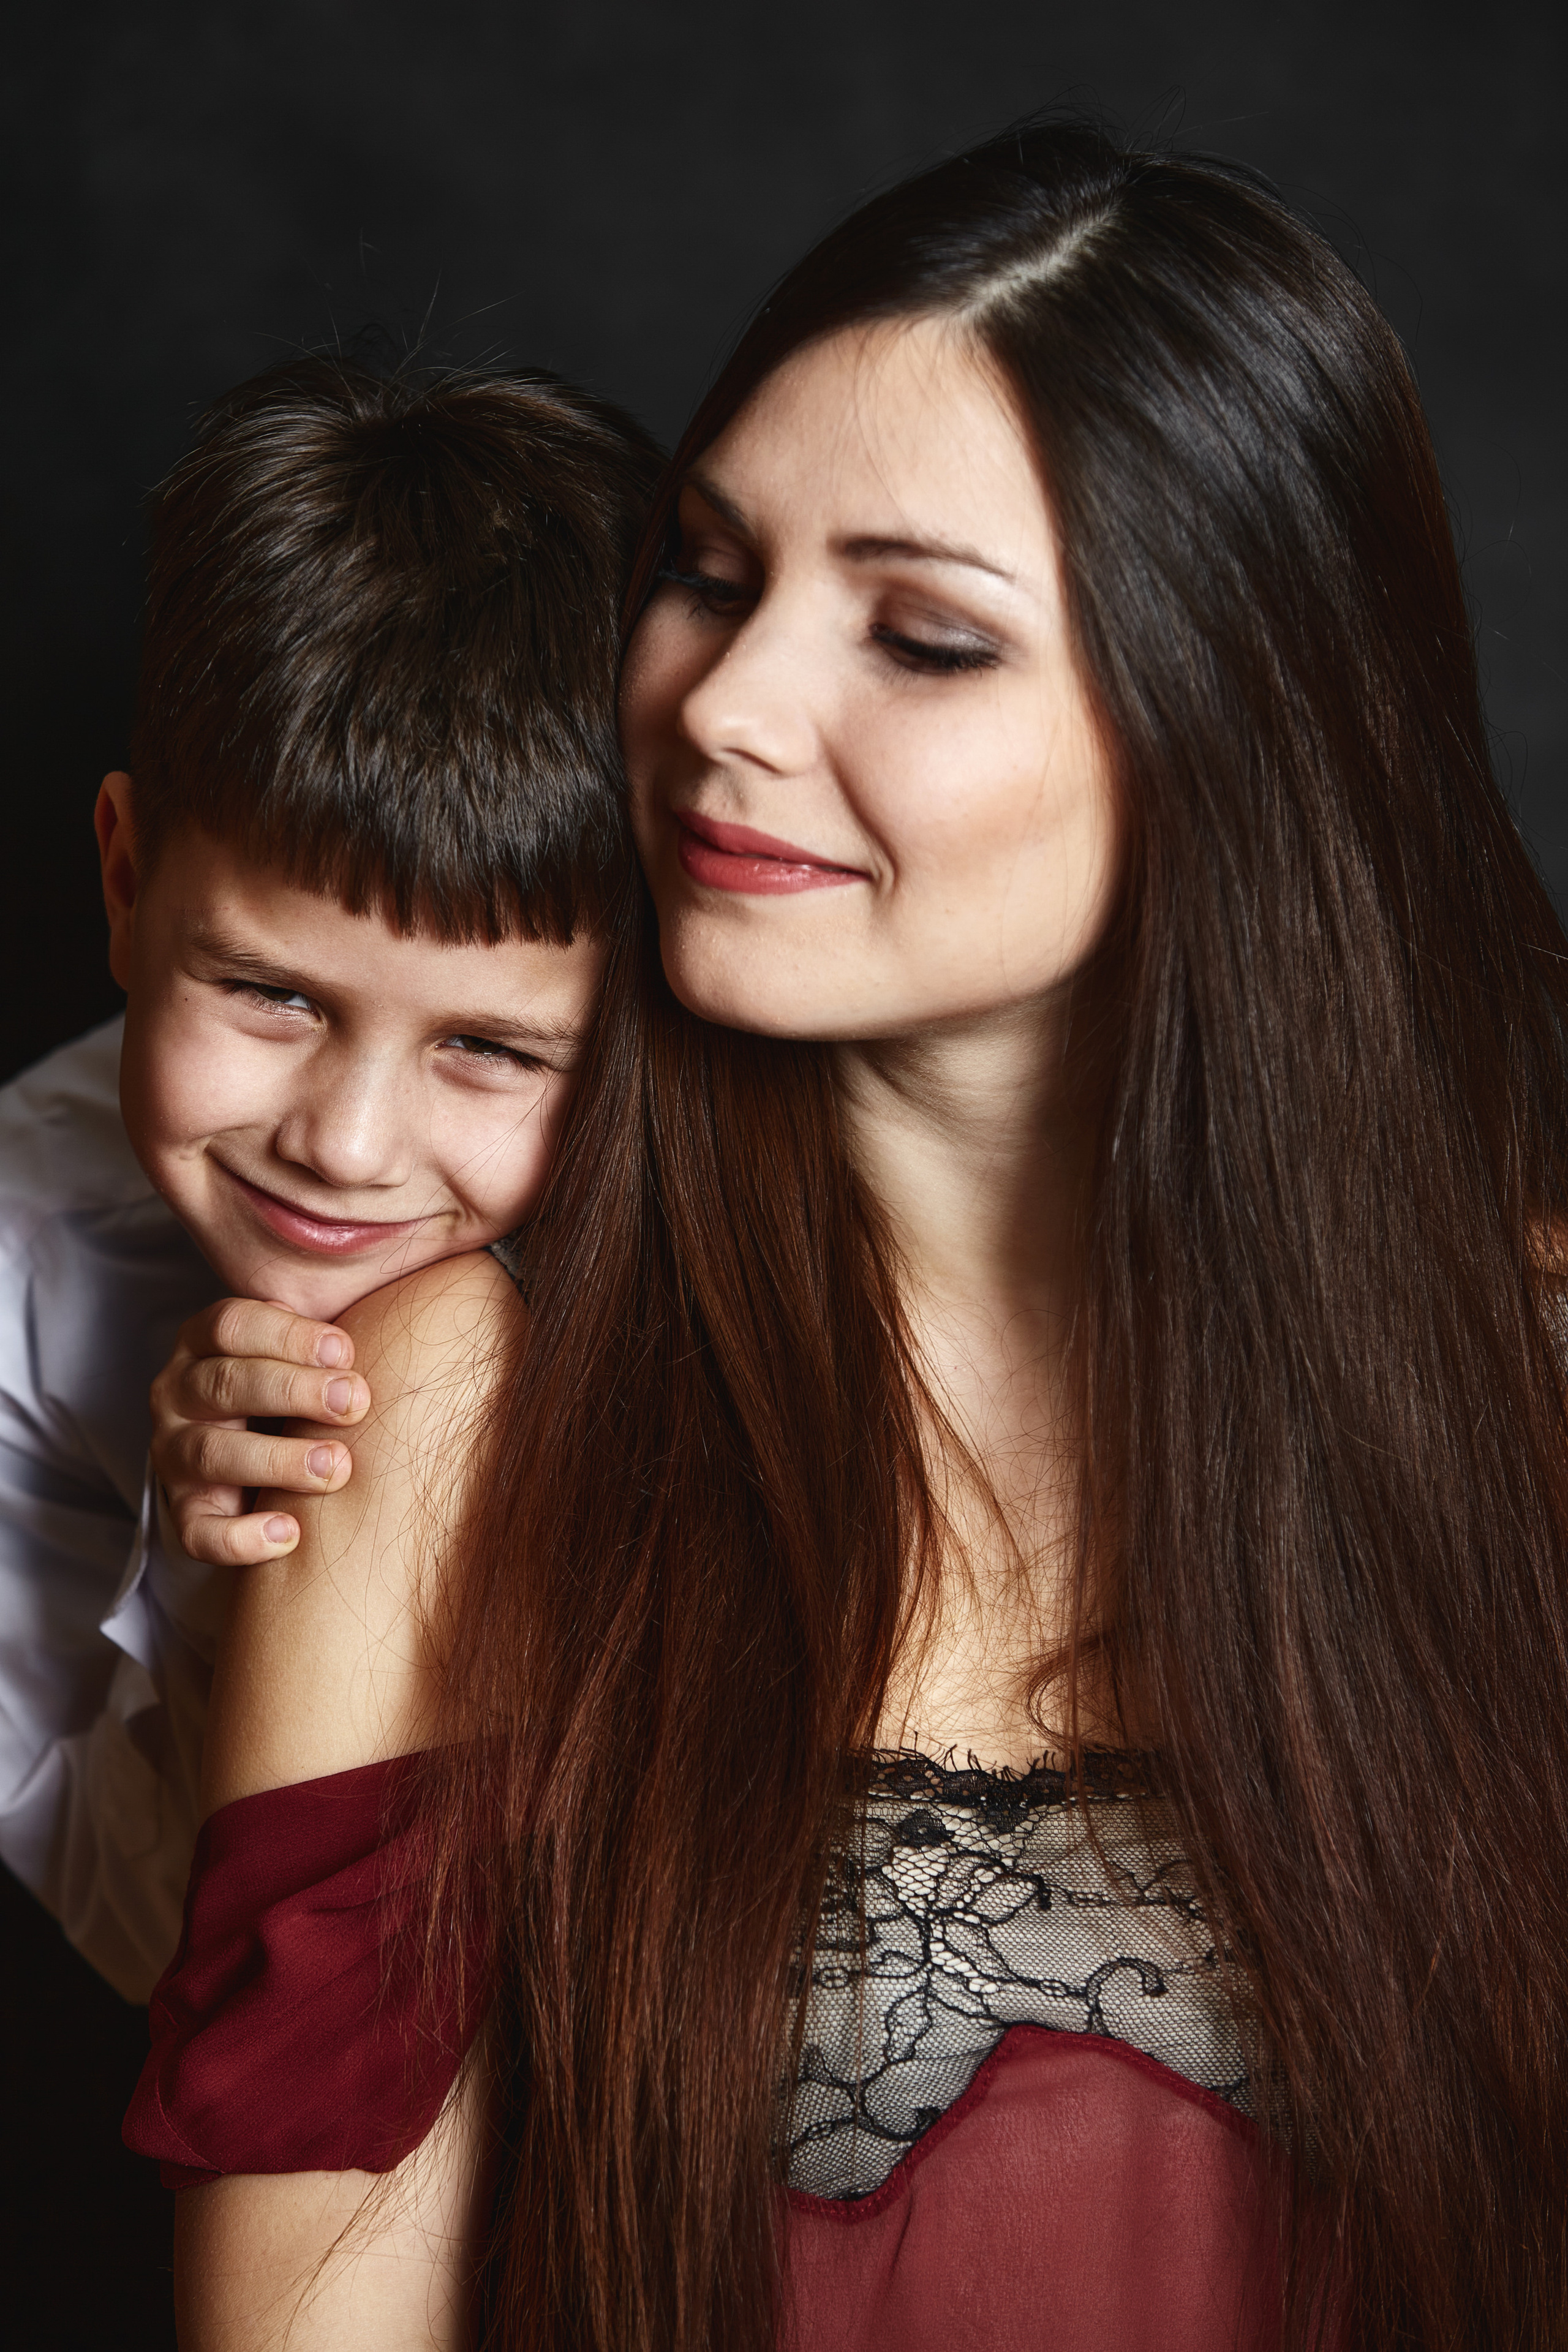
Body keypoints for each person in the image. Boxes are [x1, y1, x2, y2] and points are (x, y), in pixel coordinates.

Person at [129, 121, 1568, 2350]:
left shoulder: (1521, 1386)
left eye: (916, 635)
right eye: (708, 573)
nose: (722, 707)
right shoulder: (440, 1407)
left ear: (1226, 725)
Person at [0, 355, 659, 1999]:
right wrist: (232, 1611)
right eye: (274, 996)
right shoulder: (14, 1277)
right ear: (128, 877)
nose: (346, 1147)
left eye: (494, 1050)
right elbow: (177, 1966)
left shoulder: (784, 1216)